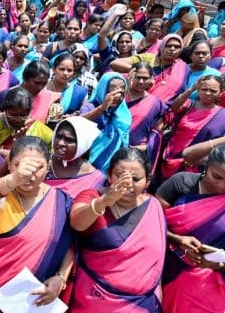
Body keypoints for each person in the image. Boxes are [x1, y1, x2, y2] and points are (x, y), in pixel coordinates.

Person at [0, 137, 74, 311]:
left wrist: (61, 278)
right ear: (9, 165)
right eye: (20, 165)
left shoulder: (61, 201)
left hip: (31, 301)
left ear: (48, 166)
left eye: (38, 167)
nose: (29, 173)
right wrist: (14, 179)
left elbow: (68, 244)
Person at [69, 148, 165, 311]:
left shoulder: (153, 206)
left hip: (140, 305)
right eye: (119, 176)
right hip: (94, 299)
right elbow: (77, 222)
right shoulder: (92, 196)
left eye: (136, 179)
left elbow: (156, 261)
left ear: (147, 181)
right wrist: (105, 201)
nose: (127, 184)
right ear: (109, 175)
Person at [156, 144, 225, 313]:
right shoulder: (181, 183)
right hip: (164, 267)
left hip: (208, 287)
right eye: (217, 176)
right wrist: (176, 240)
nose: (222, 185)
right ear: (207, 165)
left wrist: (220, 264)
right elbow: (148, 222)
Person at [159, 75, 225, 183]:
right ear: (198, 89)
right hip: (168, 157)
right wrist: (191, 89)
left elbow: (221, 145)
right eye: (204, 89)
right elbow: (174, 107)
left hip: (196, 166)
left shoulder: (222, 116)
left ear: (221, 92)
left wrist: (199, 159)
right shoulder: (188, 105)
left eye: (213, 91)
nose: (208, 93)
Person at [111, 34, 189, 104]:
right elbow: (115, 63)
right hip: (137, 100)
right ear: (162, 46)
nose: (172, 49)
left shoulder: (182, 68)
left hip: (162, 109)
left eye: (177, 47)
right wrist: (141, 72)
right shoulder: (148, 58)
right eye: (168, 45)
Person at [0, 86, 53, 157]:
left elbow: (52, 154)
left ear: (29, 112)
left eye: (23, 115)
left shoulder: (40, 129)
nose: (18, 119)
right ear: (5, 110)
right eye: (13, 115)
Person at [81, 73, 131, 173]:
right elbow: (79, 122)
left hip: (111, 168)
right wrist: (102, 108)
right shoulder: (90, 107)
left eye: (121, 91)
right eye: (111, 90)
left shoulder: (124, 114)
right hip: (87, 166)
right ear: (102, 89)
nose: (116, 95)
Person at [46, 116, 104, 197]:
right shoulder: (42, 161)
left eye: (69, 140)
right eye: (58, 136)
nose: (60, 143)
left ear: (83, 145)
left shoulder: (95, 180)